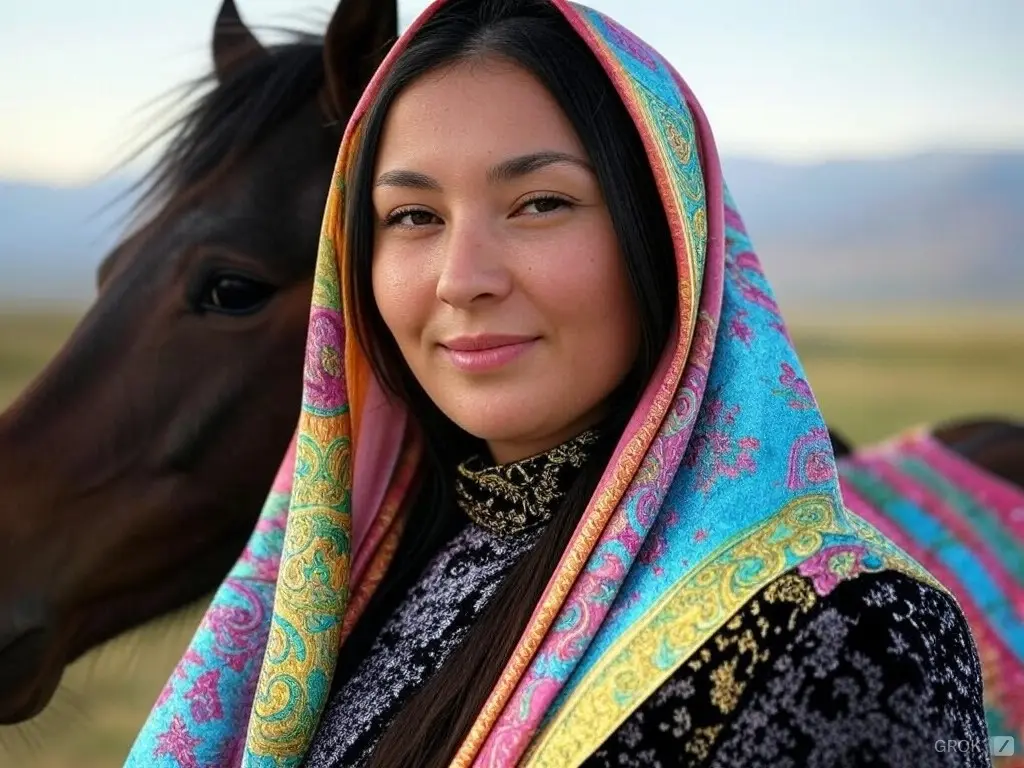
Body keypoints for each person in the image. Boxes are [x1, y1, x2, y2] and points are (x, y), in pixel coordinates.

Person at [125, 1, 992, 766]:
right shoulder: (362, 578)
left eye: (540, 203)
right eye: (414, 217)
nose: (461, 279)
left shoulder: (854, 635)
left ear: (667, 237)